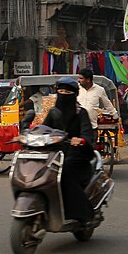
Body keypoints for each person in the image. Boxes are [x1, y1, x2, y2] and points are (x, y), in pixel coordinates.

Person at [41, 77, 96, 223]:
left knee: (64, 171)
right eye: (60, 91)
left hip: (76, 154)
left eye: (67, 92)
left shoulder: (81, 113)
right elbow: (44, 129)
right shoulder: (53, 112)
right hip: (55, 151)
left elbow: (88, 134)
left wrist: (80, 140)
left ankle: (81, 212)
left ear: (74, 94)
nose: (63, 94)